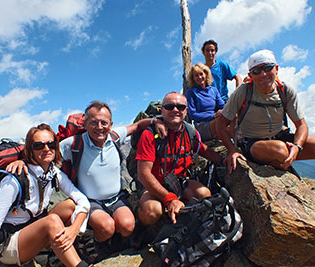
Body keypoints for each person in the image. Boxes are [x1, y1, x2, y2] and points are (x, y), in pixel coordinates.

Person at [216, 49, 315, 201]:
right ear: (251, 75)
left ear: (276, 69)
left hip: (281, 136)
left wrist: (297, 146)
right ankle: (281, 161)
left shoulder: (285, 91)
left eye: (267, 67)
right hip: (251, 141)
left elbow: (302, 125)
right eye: (256, 71)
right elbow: (221, 125)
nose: (263, 74)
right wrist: (232, 150)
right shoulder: (243, 92)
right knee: (280, 150)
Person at [0, 123, 90, 267]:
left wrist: (74, 229)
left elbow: (82, 200)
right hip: (9, 246)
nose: (46, 149)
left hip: (32, 233)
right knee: (52, 221)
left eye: (50, 144)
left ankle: (59, 255)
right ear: (30, 150)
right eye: (39, 146)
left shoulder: (53, 173)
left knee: (70, 205)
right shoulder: (14, 180)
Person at [59, 101, 166, 245]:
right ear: (85, 124)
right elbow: (45, 155)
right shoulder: (72, 144)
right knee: (106, 228)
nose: (99, 127)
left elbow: (137, 126)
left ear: (111, 124)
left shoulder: (115, 137)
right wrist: (20, 161)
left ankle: (114, 239)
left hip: (116, 198)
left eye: (104, 123)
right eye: (94, 122)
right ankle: (96, 241)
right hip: (91, 201)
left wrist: (155, 121)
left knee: (128, 226)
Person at [136, 91, 222, 226]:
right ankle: (141, 231)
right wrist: (169, 199)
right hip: (152, 185)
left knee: (204, 194)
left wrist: (224, 160)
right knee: (152, 212)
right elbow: (143, 174)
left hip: (178, 182)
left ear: (186, 111)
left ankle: (181, 220)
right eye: (170, 106)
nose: (175, 110)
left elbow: (204, 150)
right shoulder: (150, 134)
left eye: (180, 107)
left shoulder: (189, 132)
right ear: (162, 110)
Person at [186, 63, 225, 141]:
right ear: (193, 78)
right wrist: (213, 116)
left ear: (206, 74)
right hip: (202, 125)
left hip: (216, 120)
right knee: (220, 122)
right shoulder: (191, 92)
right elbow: (193, 115)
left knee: (234, 117)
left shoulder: (213, 90)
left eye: (201, 74)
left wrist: (223, 112)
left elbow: (222, 105)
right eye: (196, 75)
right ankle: (232, 149)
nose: (199, 77)